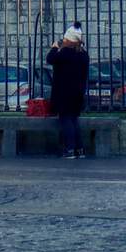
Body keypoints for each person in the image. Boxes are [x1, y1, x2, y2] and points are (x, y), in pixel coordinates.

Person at [46, 24, 89, 159]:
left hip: (64, 93)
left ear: (69, 40)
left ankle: (70, 149)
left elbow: (50, 59)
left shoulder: (64, 54)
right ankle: (79, 149)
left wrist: (54, 48)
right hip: (78, 93)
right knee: (74, 119)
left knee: (65, 119)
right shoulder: (83, 54)